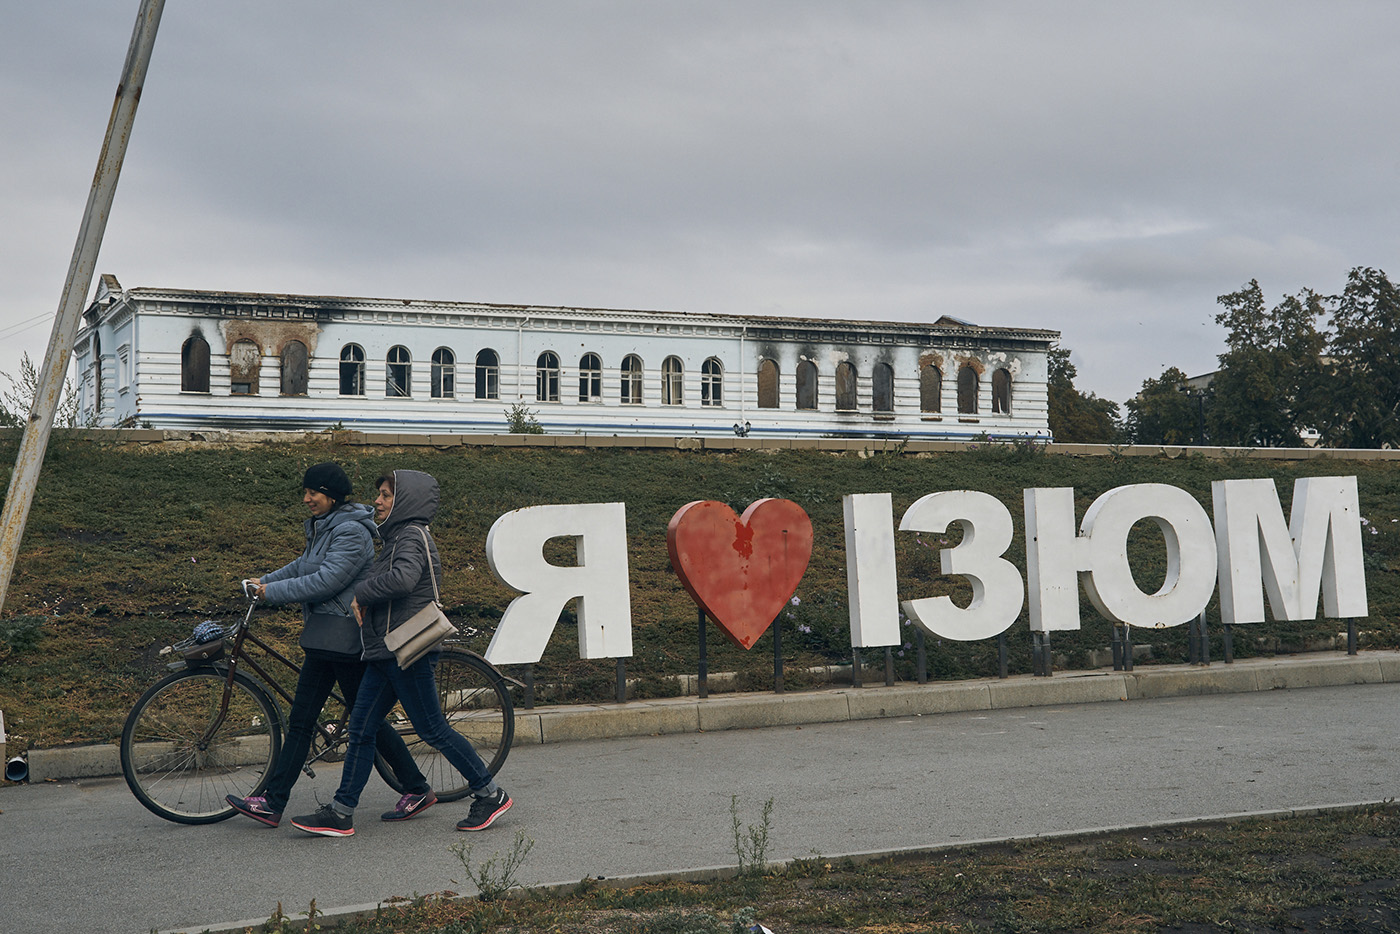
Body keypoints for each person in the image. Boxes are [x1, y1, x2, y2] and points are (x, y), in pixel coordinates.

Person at [290, 469, 511, 837]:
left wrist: (362, 593)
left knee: (432, 729)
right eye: (379, 495)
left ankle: (491, 794)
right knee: (361, 730)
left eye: (385, 495)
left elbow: (404, 579)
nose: (377, 501)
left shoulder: (410, 535)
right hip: (385, 651)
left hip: (408, 650)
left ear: (404, 500)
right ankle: (341, 812)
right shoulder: (395, 537)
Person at [226, 462, 436, 827]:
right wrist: (264, 580)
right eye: (305, 492)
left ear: (332, 496)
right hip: (325, 637)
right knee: (308, 721)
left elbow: (325, 580)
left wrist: (270, 593)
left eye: (314, 492)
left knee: (362, 722)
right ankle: (273, 803)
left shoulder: (352, 533)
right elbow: (302, 565)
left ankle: (414, 787)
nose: (307, 498)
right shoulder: (324, 527)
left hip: (345, 638)